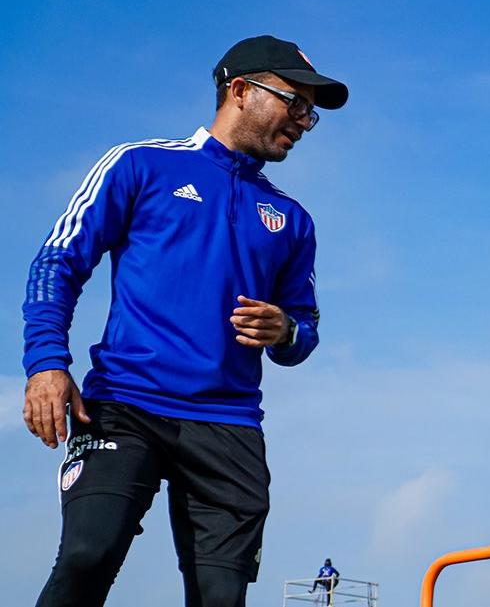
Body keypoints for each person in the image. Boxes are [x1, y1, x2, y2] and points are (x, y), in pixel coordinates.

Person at [22, 35, 348, 606]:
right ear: (240, 90)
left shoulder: (293, 221)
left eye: (310, 112)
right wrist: (47, 364)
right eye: (293, 102)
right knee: (86, 556)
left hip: (230, 424)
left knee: (221, 599)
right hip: (126, 403)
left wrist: (286, 330)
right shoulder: (140, 164)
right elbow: (58, 260)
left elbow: (304, 332)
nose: (303, 120)